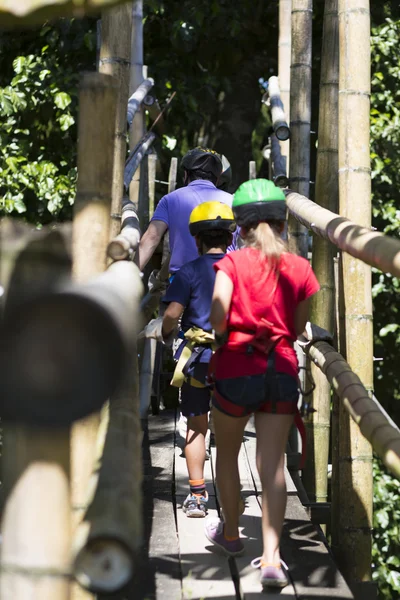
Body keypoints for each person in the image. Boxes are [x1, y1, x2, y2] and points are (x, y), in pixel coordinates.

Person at [205, 179, 320, 588]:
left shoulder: (232, 265)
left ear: (241, 225)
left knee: (227, 454)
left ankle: (232, 534)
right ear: (282, 220)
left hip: (236, 367)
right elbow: (298, 325)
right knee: (272, 467)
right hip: (283, 370)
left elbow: (218, 317)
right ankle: (271, 560)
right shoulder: (301, 267)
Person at [160, 201, 235, 517]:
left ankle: (198, 495)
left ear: (196, 240)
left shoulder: (188, 272)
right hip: (233, 359)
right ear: (230, 238)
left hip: (198, 360)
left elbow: (172, 314)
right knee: (229, 430)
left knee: (196, 425)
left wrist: (167, 335)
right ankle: (231, 499)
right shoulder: (238, 269)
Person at [136, 147, 233, 275]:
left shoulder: (170, 200)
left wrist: (128, 276)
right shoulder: (232, 201)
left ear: (186, 174)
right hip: (224, 278)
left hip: (183, 280)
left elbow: (152, 238)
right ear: (217, 178)